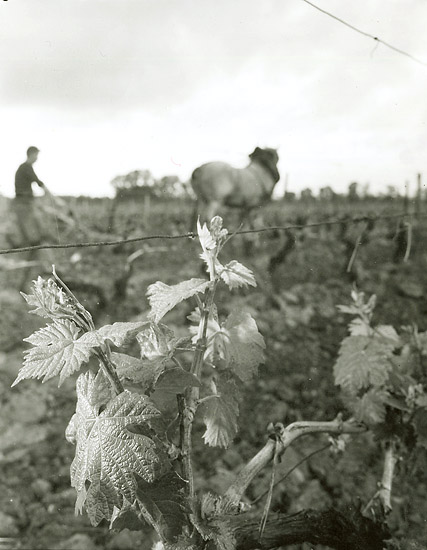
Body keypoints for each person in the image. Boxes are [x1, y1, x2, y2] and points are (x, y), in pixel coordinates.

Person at [13, 146, 46, 246]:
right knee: (32, 232)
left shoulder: (25, 167)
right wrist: (51, 195)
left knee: (32, 229)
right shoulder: (25, 167)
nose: (37, 158)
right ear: (31, 154)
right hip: (24, 202)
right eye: (36, 155)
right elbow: (38, 181)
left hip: (25, 201)